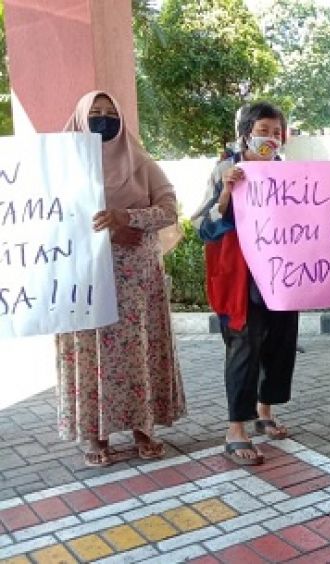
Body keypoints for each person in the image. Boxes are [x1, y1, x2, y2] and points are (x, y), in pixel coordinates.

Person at [57, 91, 186, 467]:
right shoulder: (61, 165)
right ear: (80, 120)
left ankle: (143, 427)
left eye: (110, 113)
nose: (102, 118)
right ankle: (94, 435)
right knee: (90, 353)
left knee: (136, 353)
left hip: (136, 281)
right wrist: (107, 230)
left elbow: (167, 208)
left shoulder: (139, 161)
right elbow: (50, 218)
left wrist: (127, 217)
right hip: (82, 278)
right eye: (94, 113)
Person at [192, 101, 298, 466]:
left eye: (275, 132)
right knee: (244, 347)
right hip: (239, 277)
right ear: (245, 133)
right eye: (262, 130)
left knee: (280, 343)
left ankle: (264, 411)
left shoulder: (288, 175)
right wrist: (225, 193)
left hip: (280, 275)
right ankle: (235, 429)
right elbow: (202, 224)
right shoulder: (226, 169)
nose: (269, 138)